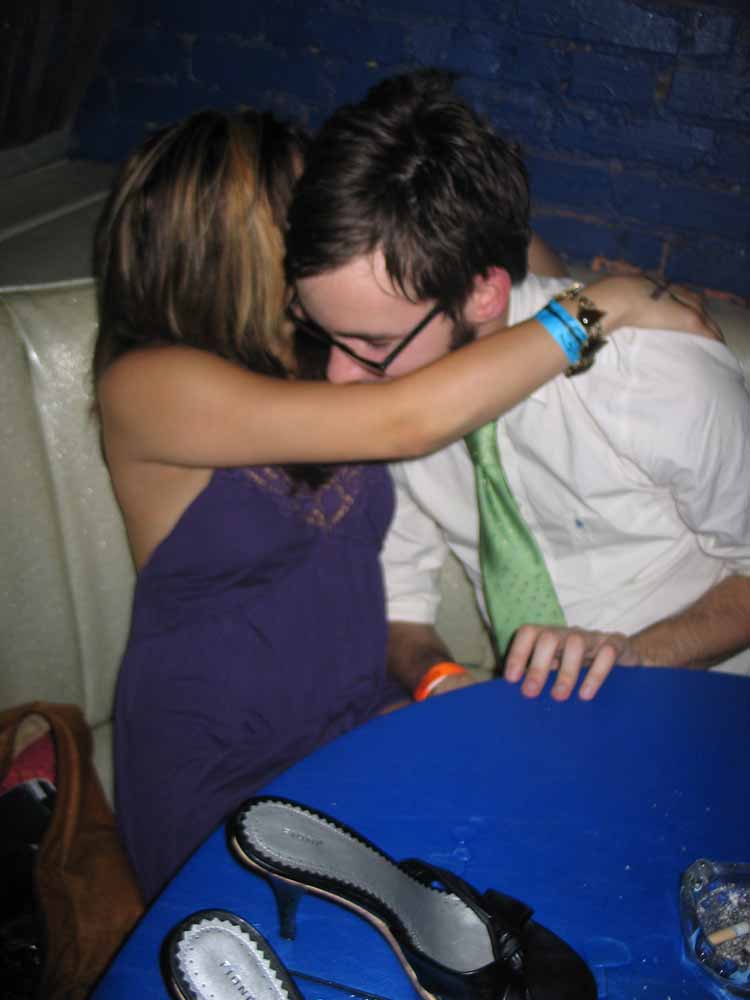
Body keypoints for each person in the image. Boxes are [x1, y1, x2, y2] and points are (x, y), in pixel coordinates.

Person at [93, 108, 680, 900]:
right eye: (310, 203)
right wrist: (603, 304)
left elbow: (516, 253)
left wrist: (468, 241)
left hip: (363, 720)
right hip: (225, 770)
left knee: (582, 853)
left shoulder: (319, 344)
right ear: (233, 247)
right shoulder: (147, 386)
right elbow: (407, 423)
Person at [285, 68, 750, 709]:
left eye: (371, 341)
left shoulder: (651, 375)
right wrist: (437, 678)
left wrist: (637, 656)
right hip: (532, 724)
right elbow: (399, 606)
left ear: (483, 295)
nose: (341, 375)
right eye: (323, 334)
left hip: (705, 703)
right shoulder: (392, 389)